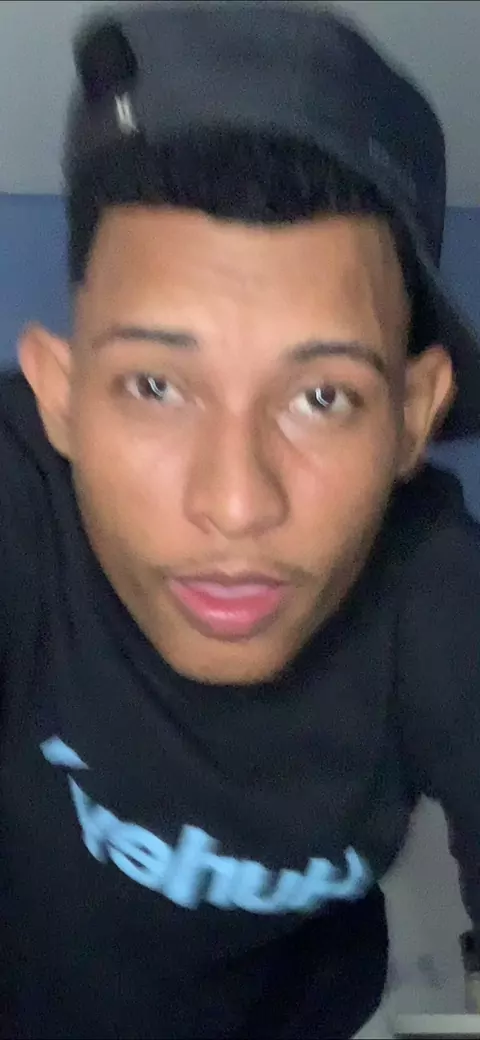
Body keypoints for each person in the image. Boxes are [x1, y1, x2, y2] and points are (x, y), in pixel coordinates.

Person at [2, 2, 480, 1037]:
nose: (234, 503)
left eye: (323, 397)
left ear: (413, 420)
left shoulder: (436, 587)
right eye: (155, 386)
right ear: (59, 398)